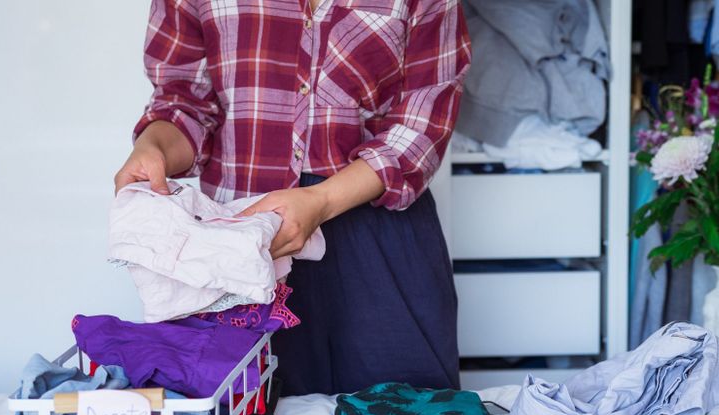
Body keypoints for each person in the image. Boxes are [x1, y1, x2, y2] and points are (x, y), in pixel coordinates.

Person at [114, 0, 471, 395]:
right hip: (246, 244)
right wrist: (155, 150)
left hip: (377, 233)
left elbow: (424, 120)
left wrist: (321, 200)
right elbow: (184, 103)